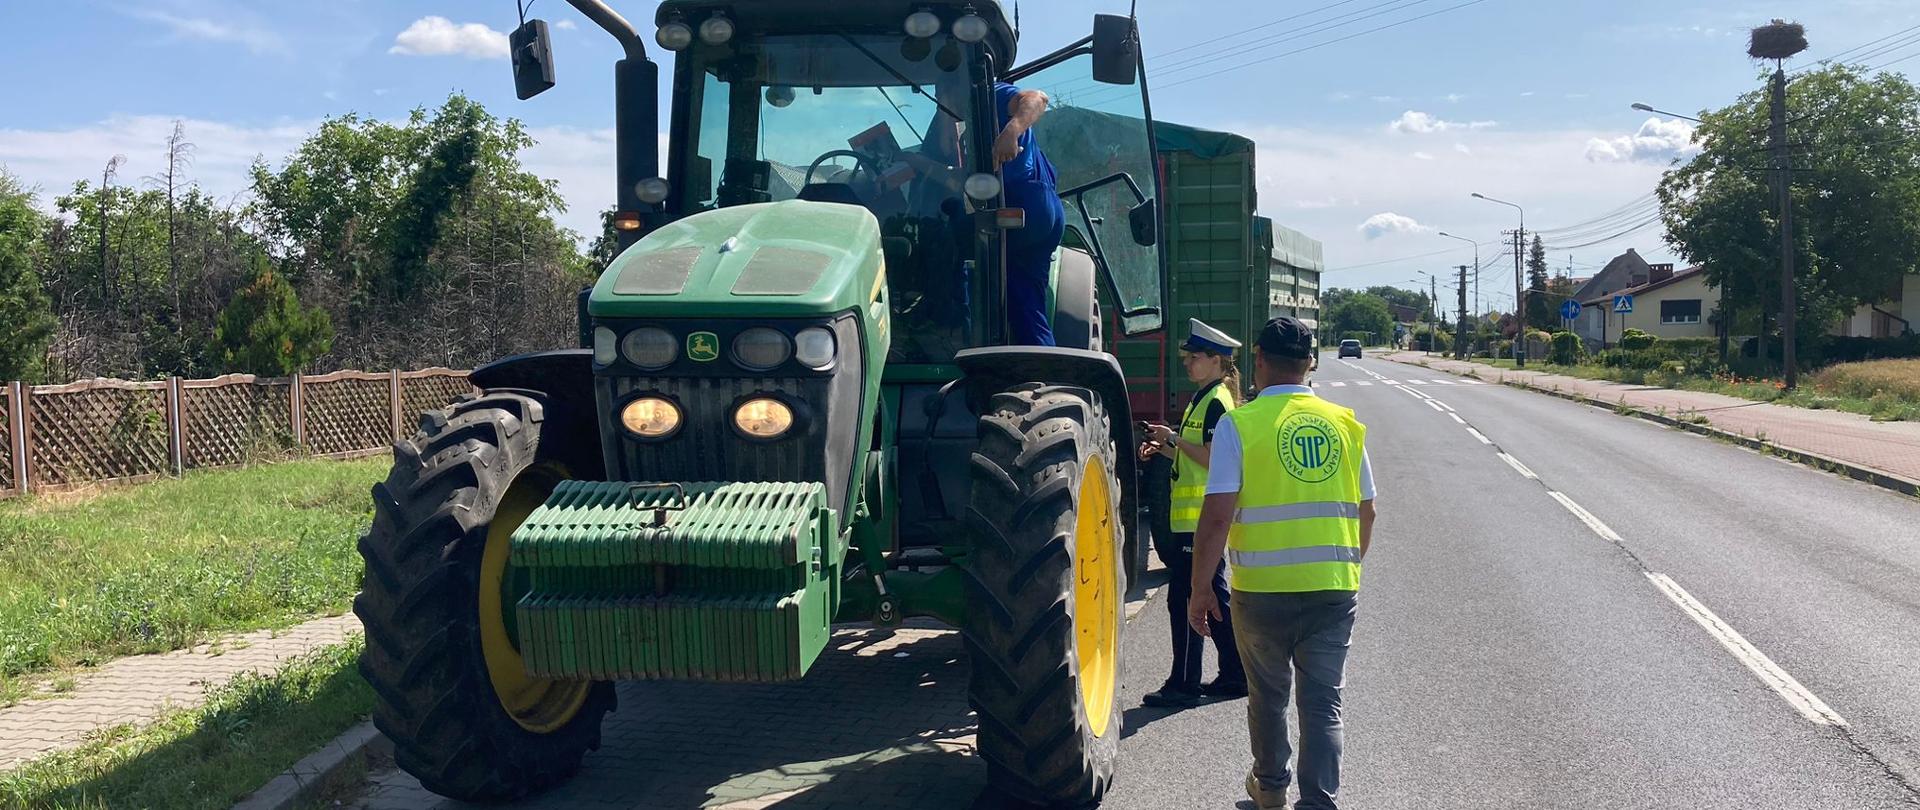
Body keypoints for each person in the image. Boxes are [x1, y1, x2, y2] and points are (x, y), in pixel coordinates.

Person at [1187, 316, 1377, 810]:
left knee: (1268, 699)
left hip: (1261, 590)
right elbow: (1368, 510)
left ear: (1260, 361)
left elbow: (1216, 517)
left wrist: (1200, 588)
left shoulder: (1240, 424)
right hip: (1333, 589)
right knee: (1323, 704)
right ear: (1310, 363)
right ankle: (1318, 803)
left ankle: (1270, 790)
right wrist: (1346, 566)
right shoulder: (1345, 422)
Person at [1140, 319, 1247, 708]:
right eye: (1186, 357)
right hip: (1193, 521)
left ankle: (1184, 683)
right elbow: (1195, 456)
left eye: (1195, 357)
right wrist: (1164, 446)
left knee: (1184, 597)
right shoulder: (1204, 397)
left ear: (1217, 361)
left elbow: (1214, 458)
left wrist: (1174, 439)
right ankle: (1236, 674)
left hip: (1202, 519)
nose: (1187, 363)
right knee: (1212, 595)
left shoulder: (1217, 401)